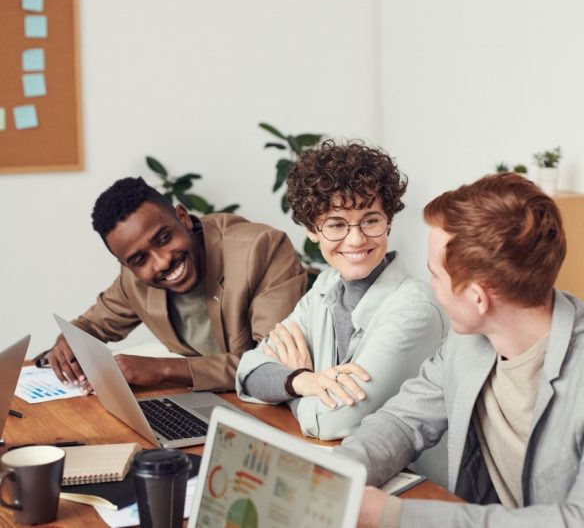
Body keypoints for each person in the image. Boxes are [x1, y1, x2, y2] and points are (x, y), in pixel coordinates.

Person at [334, 172, 584, 527]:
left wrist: (394, 515)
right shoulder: (466, 341)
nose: (430, 287)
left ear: (477, 298)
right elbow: (402, 421)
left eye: (435, 275)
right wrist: (336, 474)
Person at [236, 140, 446, 440]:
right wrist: (302, 381)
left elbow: (333, 422)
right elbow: (249, 370)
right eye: (336, 225)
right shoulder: (326, 285)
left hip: (410, 482)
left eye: (370, 221)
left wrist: (288, 387)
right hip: (338, 464)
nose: (356, 240)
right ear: (311, 230)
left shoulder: (415, 311)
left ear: (388, 222)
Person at [38, 177, 306, 392]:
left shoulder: (262, 249)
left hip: (273, 410)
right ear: (126, 264)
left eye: (164, 238)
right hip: (209, 404)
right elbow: (90, 326)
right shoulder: (133, 280)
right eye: (139, 259)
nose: (162, 262)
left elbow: (272, 364)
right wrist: (66, 343)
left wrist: (163, 369)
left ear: (183, 217)